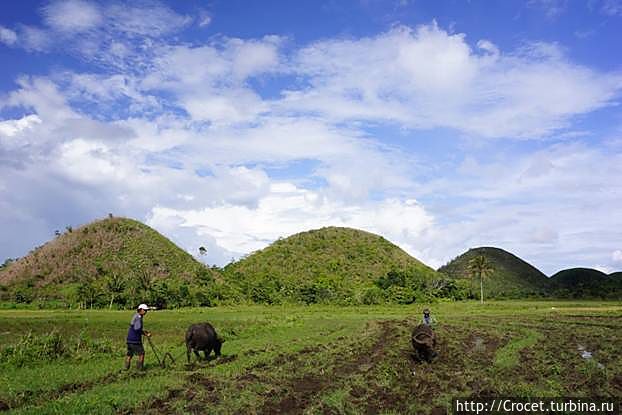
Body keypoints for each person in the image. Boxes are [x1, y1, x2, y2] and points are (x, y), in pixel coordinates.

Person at [125, 303, 151, 370]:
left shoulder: (135, 316)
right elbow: (137, 329)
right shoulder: (138, 317)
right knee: (142, 353)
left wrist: (144, 331)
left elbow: (135, 327)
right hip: (135, 340)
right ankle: (139, 370)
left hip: (129, 339)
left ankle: (126, 369)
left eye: (146, 310)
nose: (146, 312)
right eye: (144, 310)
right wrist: (146, 334)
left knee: (129, 354)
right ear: (140, 310)